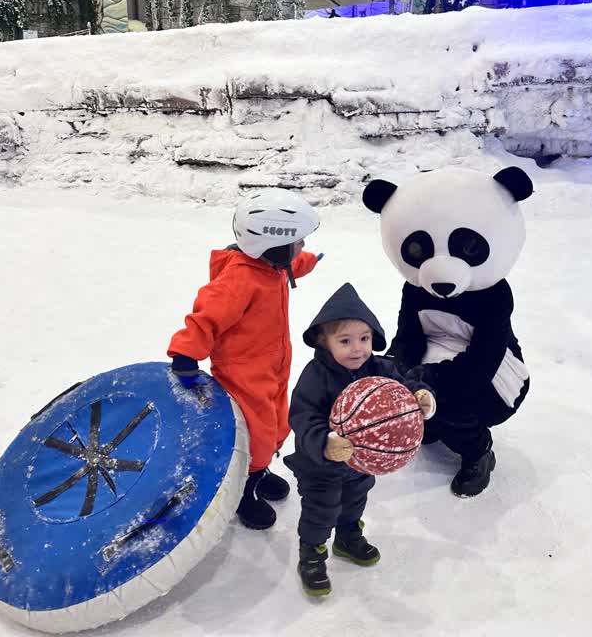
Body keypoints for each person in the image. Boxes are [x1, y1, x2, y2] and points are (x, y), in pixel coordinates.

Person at [168, 189, 321, 530]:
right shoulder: (240, 278)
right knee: (257, 433)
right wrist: (185, 352)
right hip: (242, 374)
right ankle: (243, 488)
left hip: (273, 366)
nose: (302, 247)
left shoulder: (272, 266)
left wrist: (309, 261)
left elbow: (293, 266)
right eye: (298, 242)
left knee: (279, 423)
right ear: (273, 244)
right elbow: (207, 316)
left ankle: (259, 471)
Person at [284, 283, 436, 596]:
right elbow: (302, 416)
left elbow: (406, 386)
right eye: (345, 341)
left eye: (364, 339)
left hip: (361, 464)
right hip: (321, 465)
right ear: (324, 342)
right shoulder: (316, 375)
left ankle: (348, 536)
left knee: (355, 500)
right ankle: (311, 553)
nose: (358, 349)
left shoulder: (379, 368)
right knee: (321, 510)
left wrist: (420, 397)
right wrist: (325, 442)